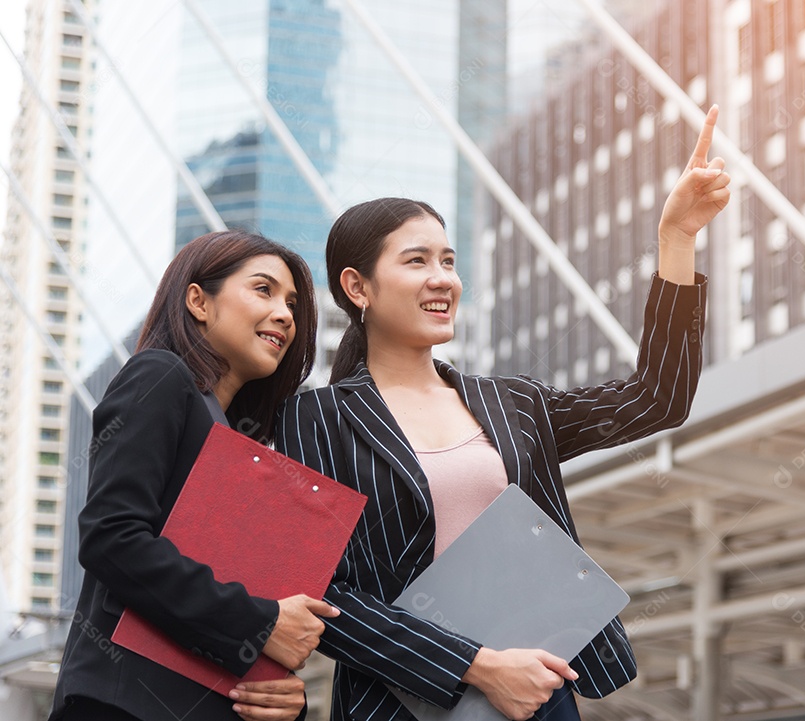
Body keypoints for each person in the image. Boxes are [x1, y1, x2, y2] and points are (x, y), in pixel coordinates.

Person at [276, 105, 730, 721]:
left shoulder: (512, 404)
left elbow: (658, 398)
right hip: (404, 704)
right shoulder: (311, 421)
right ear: (358, 288)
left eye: (449, 260)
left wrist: (676, 239)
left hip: (538, 695)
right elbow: (319, 596)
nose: (443, 279)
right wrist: (478, 665)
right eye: (416, 261)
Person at [50, 230, 340, 721]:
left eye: (292, 303)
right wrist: (262, 623)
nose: (286, 315)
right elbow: (111, 537)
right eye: (264, 290)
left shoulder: (243, 446)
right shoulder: (161, 376)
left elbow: (227, 599)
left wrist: (281, 695)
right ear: (198, 302)